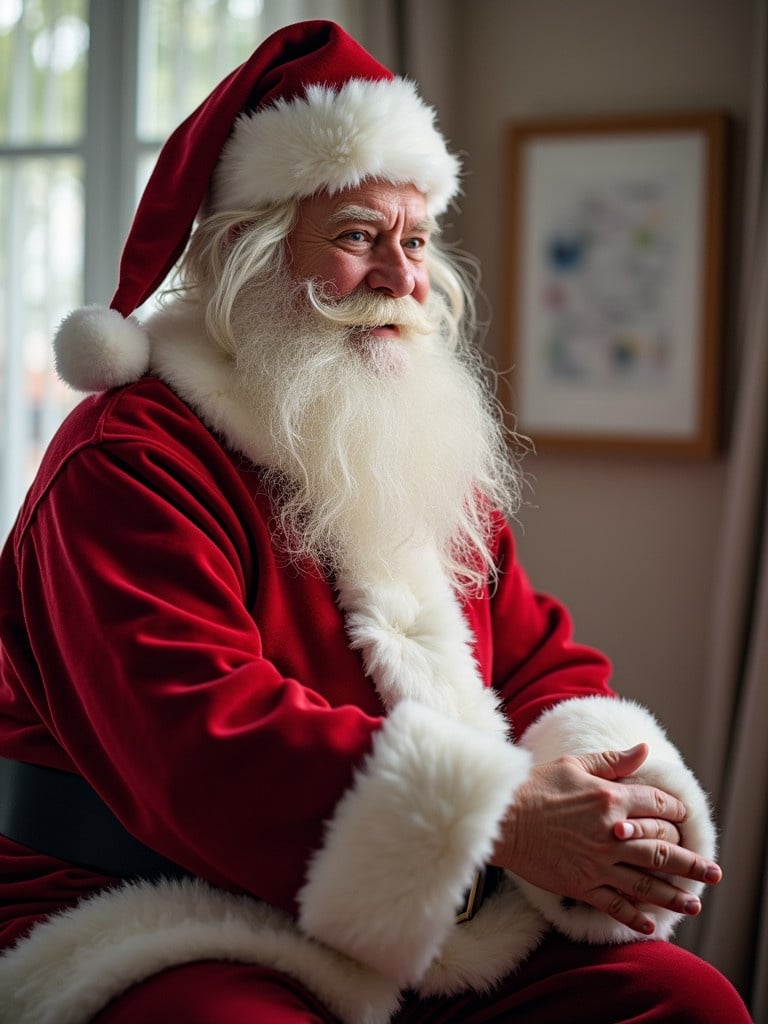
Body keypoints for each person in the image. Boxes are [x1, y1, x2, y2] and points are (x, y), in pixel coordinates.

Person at [0, 19, 752, 1024]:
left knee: (679, 1001)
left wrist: (611, 791)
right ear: (249, 251)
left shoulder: (401, 437)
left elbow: (532, 662)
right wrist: (508, 817)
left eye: (416, 239)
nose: (403, 278)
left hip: (435, 907)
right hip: (152, 905)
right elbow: (203, 742)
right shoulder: (125, 458)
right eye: (359, 237)